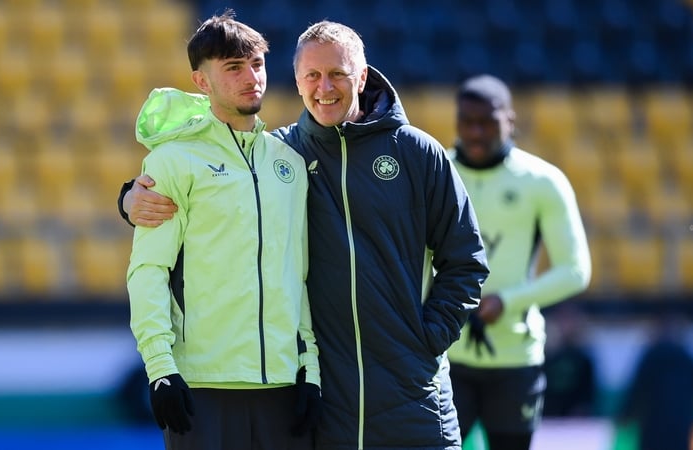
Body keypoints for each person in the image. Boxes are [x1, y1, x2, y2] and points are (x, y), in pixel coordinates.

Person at [120, 20, 490, 450]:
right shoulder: (288, 154)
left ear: (363, 76)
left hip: (411, 393)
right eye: (312, 75)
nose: (324, 87)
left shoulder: (416, 153)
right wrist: (130, 197)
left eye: (337, 74)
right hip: (326, 402)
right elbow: (217, 176)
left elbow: (465, 259)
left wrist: (428, 338)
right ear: (297, 82)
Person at [124, 12, 320, 450]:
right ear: (201, 81)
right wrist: (160, 369)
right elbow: (148, 272)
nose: (251, 77)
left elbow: (299, 273)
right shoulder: (172, 162)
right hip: (200, 388)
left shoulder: (288, 162)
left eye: (257, 64)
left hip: (286, 386)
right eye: (233, 67)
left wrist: (312, 366)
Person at [444, 74, 592, 450]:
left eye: (487, 122)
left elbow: (576, 270)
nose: (476, 133)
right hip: (444, 357)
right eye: (467, 122)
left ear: (510, 120)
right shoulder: (437, 174)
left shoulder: (542, 181)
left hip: (515, 358)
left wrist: (507, 301)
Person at [613, 314, 693, 450]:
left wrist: (625, 417)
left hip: (652, 422)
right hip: (680, 421)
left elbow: (636, 391)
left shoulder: (651, 357)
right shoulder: (686, 357)